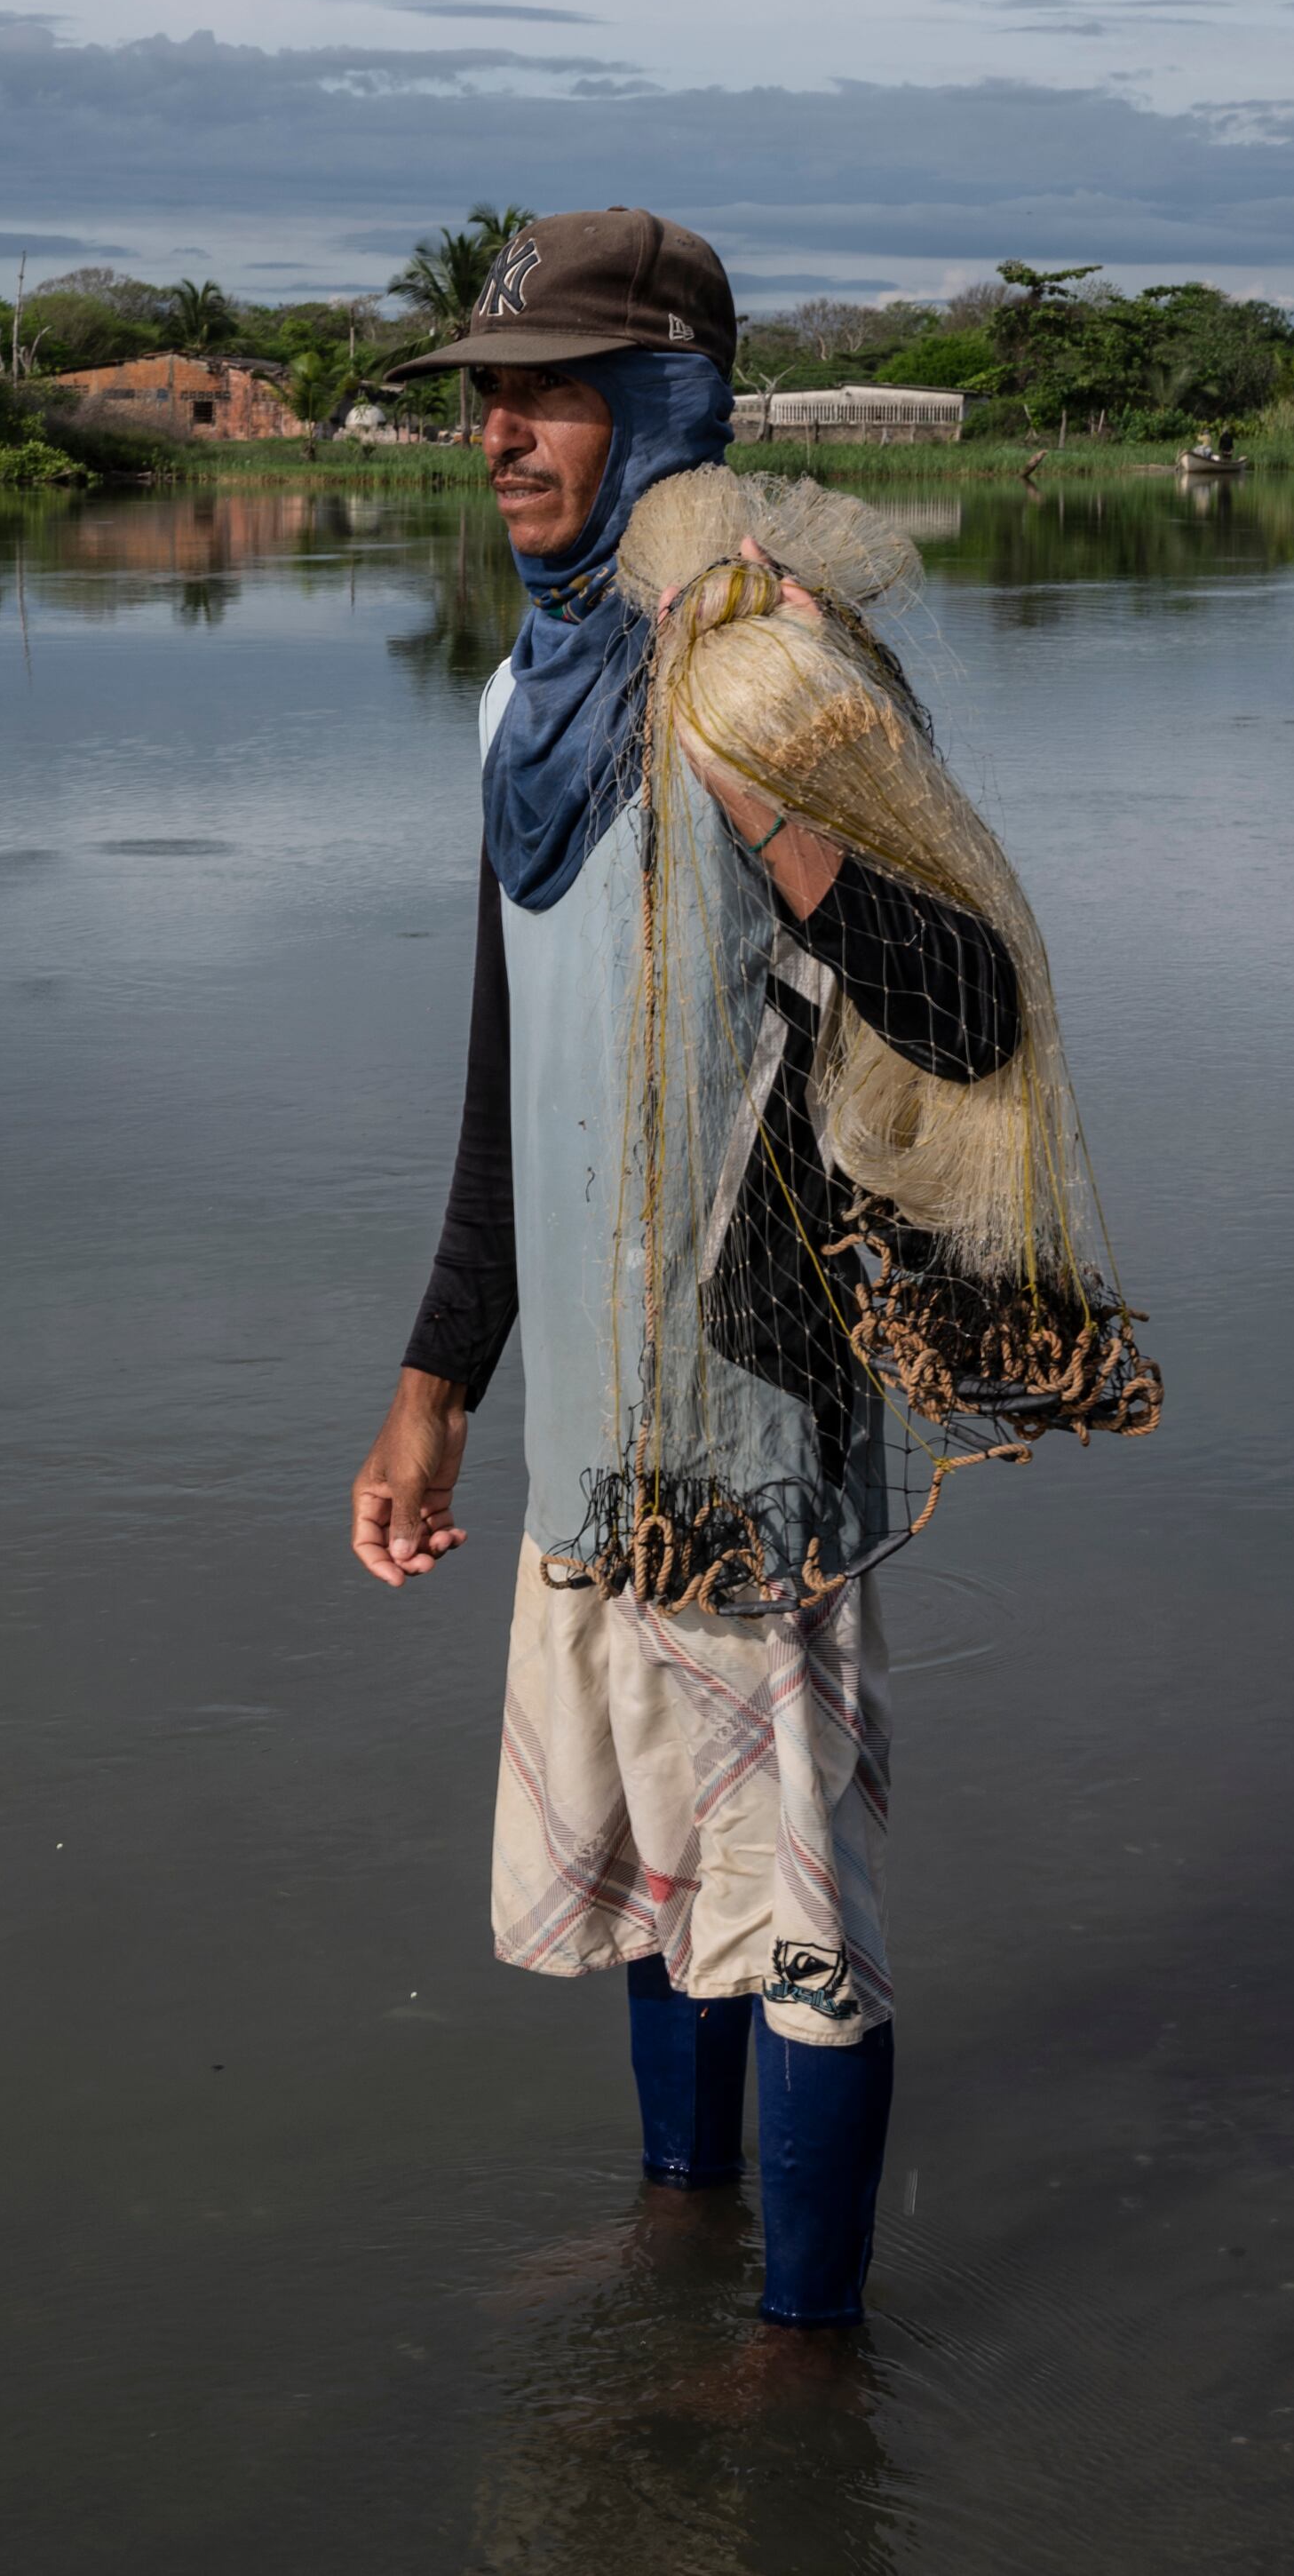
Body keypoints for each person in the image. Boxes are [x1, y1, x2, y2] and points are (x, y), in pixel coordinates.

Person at [346, 208, 1022, 2329]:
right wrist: (439, 1378)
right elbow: (506, 1066)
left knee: (797, 1915)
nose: (499, 436)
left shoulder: (775, 669)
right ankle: (676, 2224)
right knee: (657, 1880)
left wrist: (784, 825)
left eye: (545, 392)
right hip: (587, 1428)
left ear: (662, 407)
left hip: (753, 1394)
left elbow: (976, 1006)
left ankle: (807, 2360)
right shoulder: (519, 699)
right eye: (483, 396)